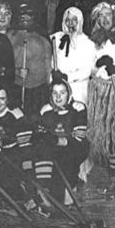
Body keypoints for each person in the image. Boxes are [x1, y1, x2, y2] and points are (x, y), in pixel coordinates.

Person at [34, 72, 89, 206]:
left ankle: (68, 189)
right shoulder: (45, 110)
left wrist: (57, 141)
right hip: (53, 147)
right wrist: (44, 138)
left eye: (62, 93)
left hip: (74, 146)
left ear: (68, 93)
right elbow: (40, 133)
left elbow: (79, 137)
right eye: (54, 93)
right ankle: (44, 190)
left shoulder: (78, 108)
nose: (58, 97)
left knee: (67, 157)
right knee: (40, 152)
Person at [87, 2, 115, 197]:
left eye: (107, 15)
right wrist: (98, 66)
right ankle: (112, 180)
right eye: (100, 16)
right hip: (100, 92)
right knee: (106, 138)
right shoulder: (93, 41)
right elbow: (89, 67)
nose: (104, 19)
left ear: (114, 16)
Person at [7, 2, 52, 121]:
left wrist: (50, 86)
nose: (24, 16)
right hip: (16, 86)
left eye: (29, 13)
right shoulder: (10, 36)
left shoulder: (42, 37)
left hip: (38, 89)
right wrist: (16, 71)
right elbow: (2, 64)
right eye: (22, 13)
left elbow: (48, 65)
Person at [50, 7, 95, 104]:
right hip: (59, 89)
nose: (71, 23)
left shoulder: (87, 43)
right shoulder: (57, 39)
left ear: (79, 21)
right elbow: (53, 61)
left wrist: (67, 77)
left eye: (74, 20)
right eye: (68, 20)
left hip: (78, 89)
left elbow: (87, 70)